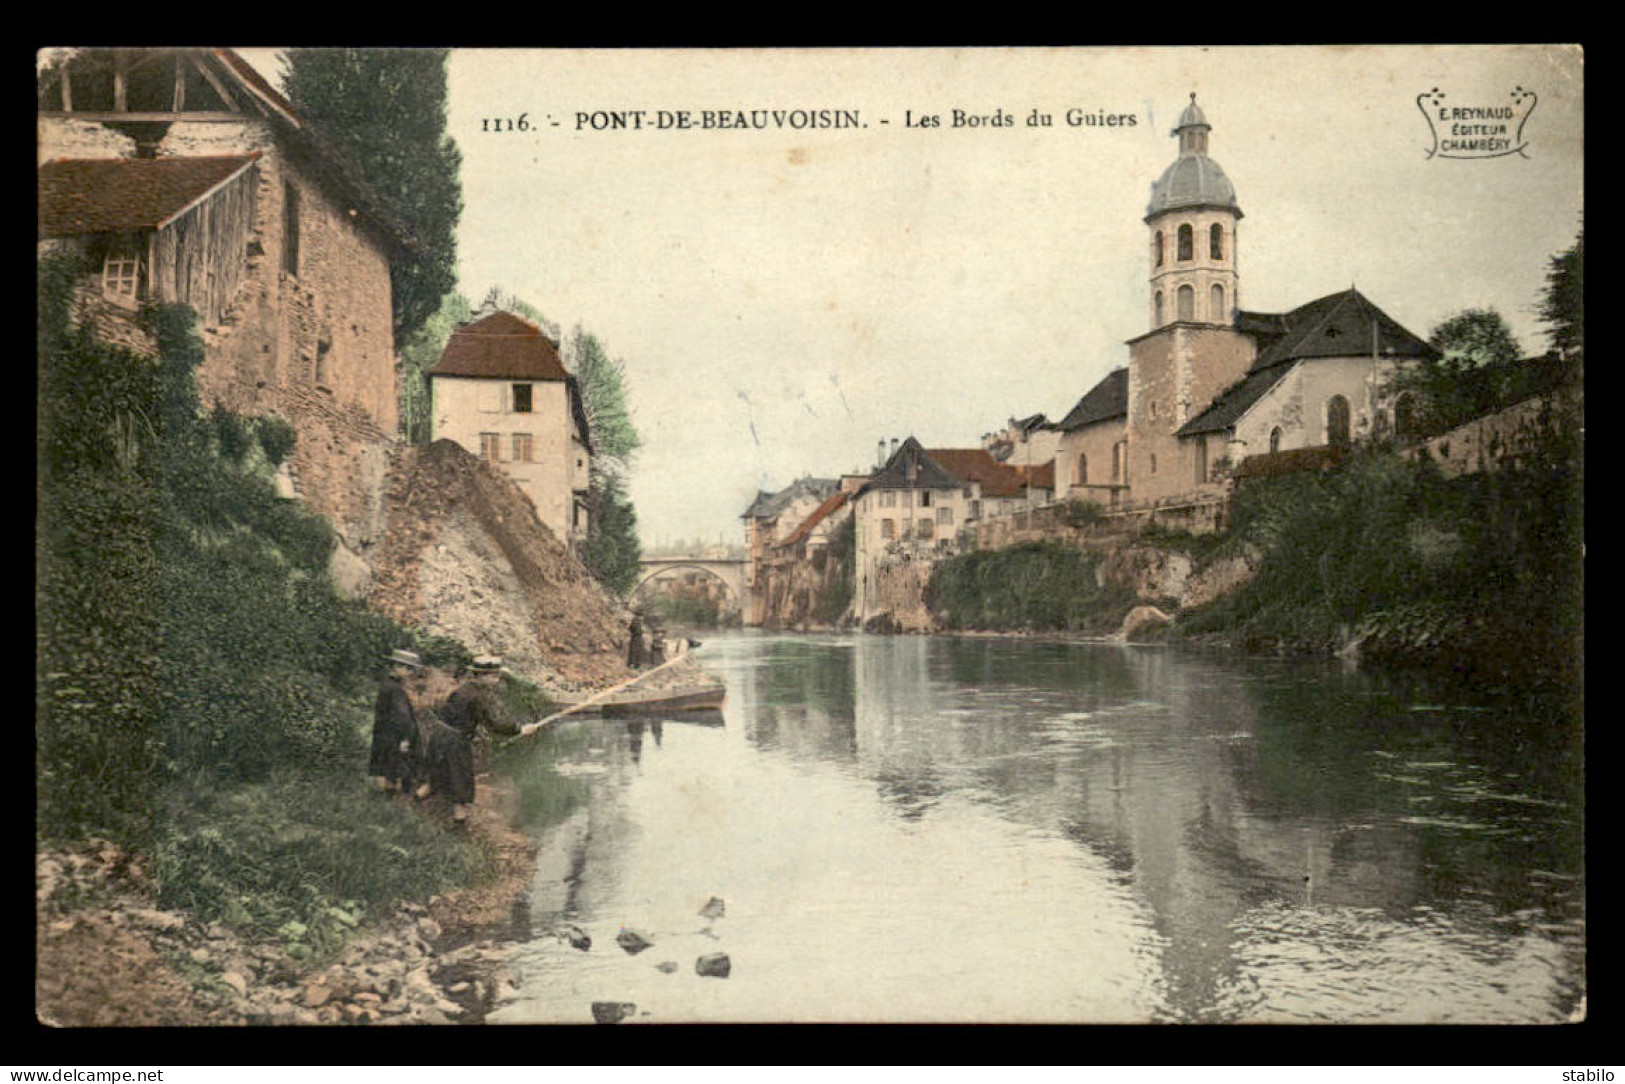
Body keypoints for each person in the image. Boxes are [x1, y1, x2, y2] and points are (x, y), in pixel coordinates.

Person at [431, 654, 522, 825]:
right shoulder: (478, 695)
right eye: (493, 676)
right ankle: (459, 827)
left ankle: (410, 804)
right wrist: (518, 729)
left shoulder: (466, 688)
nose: (496, 680)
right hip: (455, 741)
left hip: (439, 735)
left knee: (438, 777)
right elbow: (495, 723)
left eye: (497, 676)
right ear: (480, 676)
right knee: (459, 785)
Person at [370, 649, 423, 793]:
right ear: (398, 667)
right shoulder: (395, 689)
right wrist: (405, 738)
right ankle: (395, 799)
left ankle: (389, 799)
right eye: (410, 669)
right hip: (394, 735)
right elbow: (402, 716)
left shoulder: (387, 684)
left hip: (384, 733)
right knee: (396, 767)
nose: (411, 673)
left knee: (389, 767)